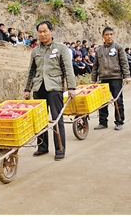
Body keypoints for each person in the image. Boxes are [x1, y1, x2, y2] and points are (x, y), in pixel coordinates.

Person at [24, 21, 76, 161]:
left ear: (51, 31)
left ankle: (60, 148)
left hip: (54, 88)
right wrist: (27, 89)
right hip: (38, 88)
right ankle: (42, 147)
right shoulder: (35, 51)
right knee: (40, 120)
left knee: (56, 119)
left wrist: (71, 87)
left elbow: (68, 69)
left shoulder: (61, 48)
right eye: (40, 32)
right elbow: (31, 71)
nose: (42, 34)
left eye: (45, 31)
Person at [91, 27, 131, 130]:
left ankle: (119, 121)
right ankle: (103, 122)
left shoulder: (118, 47)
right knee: (102, 102)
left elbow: (124, 63)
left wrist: (126, 76)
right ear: (103, 36)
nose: (109, 36)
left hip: (116, 77)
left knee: (118, 101)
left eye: (111, 34)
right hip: (103, 79)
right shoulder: (99, 50)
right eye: (107, 35)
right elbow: (95, 66)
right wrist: (93, 78)